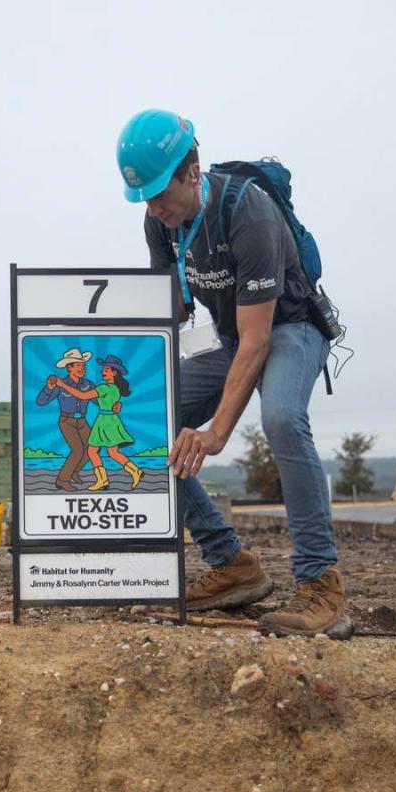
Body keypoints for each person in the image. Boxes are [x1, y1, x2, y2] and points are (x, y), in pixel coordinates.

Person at [116, 108, 349, 638]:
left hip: (289, 327)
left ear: (192, 173)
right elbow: (172, 312)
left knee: (283, 418)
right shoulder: (161, 223)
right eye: (145, 198)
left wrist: (216, 430)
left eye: (160, 193)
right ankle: (232, 564)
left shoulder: (250, 214)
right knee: (139, 418)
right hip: (227, 336)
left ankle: (322, 585)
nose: (154, 207)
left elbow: (259, 339)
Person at [53, 355, 144, 491]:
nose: (103, 371)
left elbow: (82, 395)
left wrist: (62, 384)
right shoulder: (115, 389)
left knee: (93, 451)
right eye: (103, 369)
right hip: (112, 420)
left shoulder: (103, 388)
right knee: (112, 452)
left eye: (106, 369)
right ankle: (134, 470)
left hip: (104, 421)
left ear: (114, 373)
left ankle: (103, 479)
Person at [35, 348, 95, 492]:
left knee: (93, 447)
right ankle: (62, 480)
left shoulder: (88, 384)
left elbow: (99, 401)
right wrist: (48, 388)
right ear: (69, 368)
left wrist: (113, 407)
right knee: (78, 450)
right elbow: (40, 402)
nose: (82, 368)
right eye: (78, 365)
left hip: (82, 421)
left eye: (83, 366)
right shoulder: (59, 384)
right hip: (66, 421)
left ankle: (74, 471)